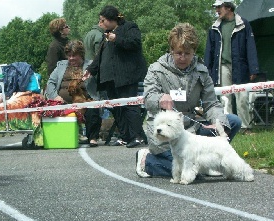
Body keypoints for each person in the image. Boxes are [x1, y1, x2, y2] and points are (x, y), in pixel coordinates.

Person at [136, 23, 242, 178]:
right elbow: (148, 98)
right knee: (189, 171)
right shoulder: (156, 69)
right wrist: (159, 98)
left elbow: (211, 103)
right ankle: (147, 161)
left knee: (232, 121)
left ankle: (207, 163)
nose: (183, 57)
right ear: (171, 50)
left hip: (191, 130)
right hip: (164, 134)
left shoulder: (201, 71)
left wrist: (219, 122)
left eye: (188, 53)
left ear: (194, 52)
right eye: (178, 53)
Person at [82, 5, 148, 148]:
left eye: (102, 20)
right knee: (116, 108)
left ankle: (137, 136)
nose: (100, 23)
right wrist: (90, 70)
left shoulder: (129, 27)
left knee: (129, 106)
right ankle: (125, 136)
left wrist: (116, 38)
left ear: (112, 19)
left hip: (126, 76)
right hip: (109, 79)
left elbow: (135, 43)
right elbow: (100, 56)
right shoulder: (106, 35)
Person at [204, 0, 259, 134]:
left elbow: (250, 47)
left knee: (242, 98)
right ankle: (229, 127)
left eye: (219, 7)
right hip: (221, 67)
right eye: (216, 7)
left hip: (240, 66)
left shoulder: (243, 24)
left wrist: (254, 68)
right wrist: (206, 70)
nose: (217, 10)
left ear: (228, 7)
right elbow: (209, 50)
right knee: (225, 99)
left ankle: (245, 127)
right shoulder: (214, 27)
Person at [45, 40, 101, 147]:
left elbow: (99, 81)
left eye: (74, 55)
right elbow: (50, 83)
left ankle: (92, 138)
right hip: (63, 102)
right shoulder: (61, 66)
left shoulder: (91, 65)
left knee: (93, 108)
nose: (71, 58)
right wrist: (55, 96)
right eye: (69, 55)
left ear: (81, 54)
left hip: (85, 101)